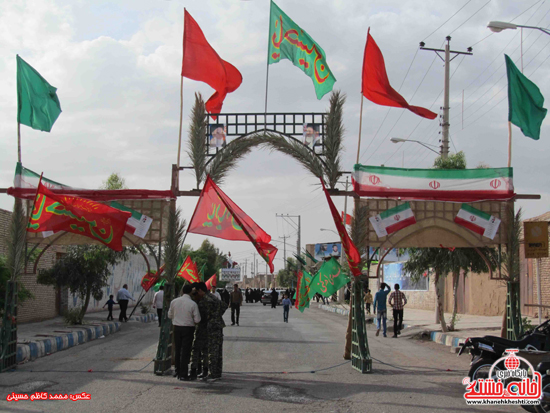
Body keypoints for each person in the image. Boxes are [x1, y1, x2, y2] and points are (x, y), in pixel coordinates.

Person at [168, 284, 201, 381]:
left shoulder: (174, 302)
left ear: (182, 291)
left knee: (177, 350)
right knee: (185, 351)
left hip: (177, 327)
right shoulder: (193, 304)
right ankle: (183, 373)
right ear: (191, 292)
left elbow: (169, 315)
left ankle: (177, 371)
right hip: (188, 328)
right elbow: (197, 319)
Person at [204, 283, 228, 382]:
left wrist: (212, 317)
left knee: (212, 350)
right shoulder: (213, 297)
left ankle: (213, 373)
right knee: (218, 350)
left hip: (212, 326)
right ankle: (218, 372)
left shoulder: (206, 299)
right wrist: (218, 315)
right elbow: (224, 305)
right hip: (218, 325)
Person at [190, 282, 209, 380]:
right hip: (206, 328)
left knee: (197, 349)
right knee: (204, 350)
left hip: (202, 328)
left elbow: (197, 318)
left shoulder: (202, 302)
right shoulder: (208, 299)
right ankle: (203, 370)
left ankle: (195, 370)